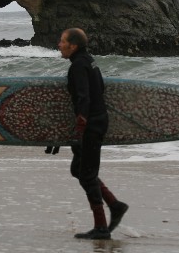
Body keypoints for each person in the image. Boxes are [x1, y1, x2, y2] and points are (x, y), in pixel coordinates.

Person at [56, 28, 129, 240]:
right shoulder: (89, 61)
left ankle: (101, 228)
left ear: (73, 45)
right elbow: (102, 88)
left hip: (90, 127)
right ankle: (115, 205)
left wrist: (80, 129)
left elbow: (83, 98)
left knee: (86, 174)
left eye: (62, 42)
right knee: (79, 170)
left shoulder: (78, 65)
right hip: (96, 122)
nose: (59, 45)